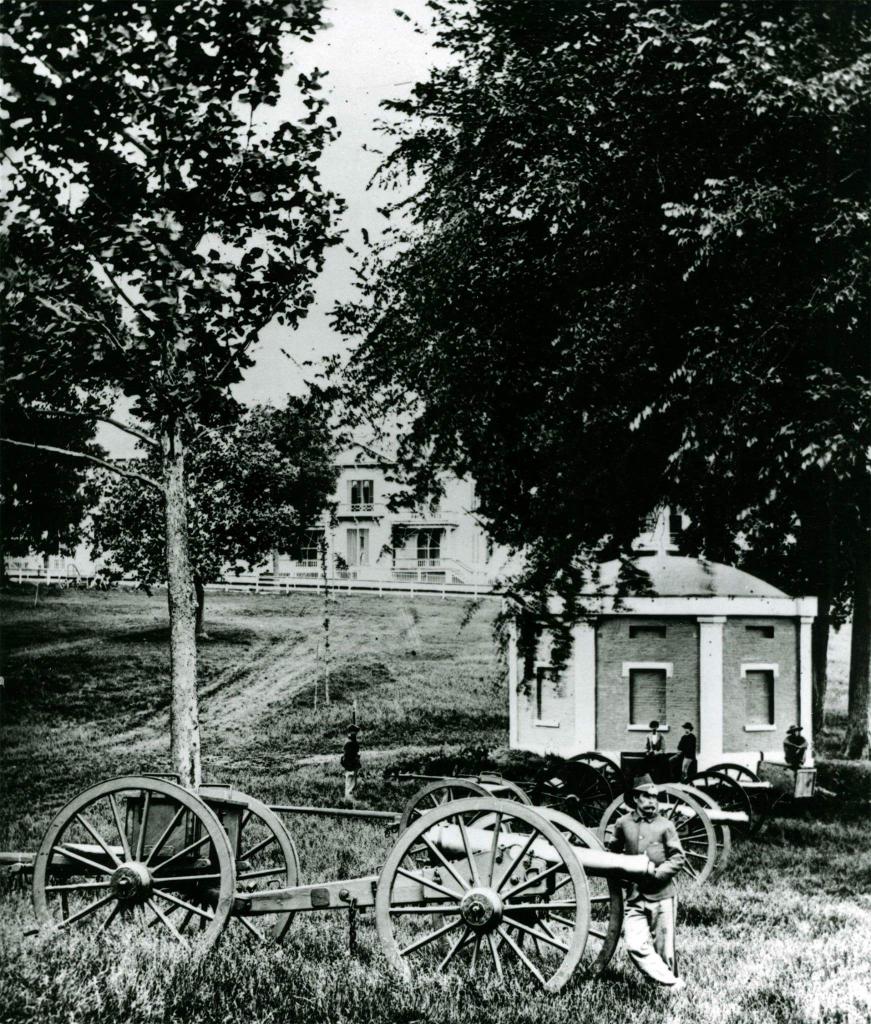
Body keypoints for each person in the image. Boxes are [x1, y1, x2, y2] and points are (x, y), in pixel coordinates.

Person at [608, 774, 686, 991]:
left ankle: (667, 989)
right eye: (647, 796)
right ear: (635, 798)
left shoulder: (665, 826)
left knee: (665, 949)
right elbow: (612, 854)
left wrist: (658, 874)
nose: (652, 801)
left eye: (655, 797)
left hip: (662, 896)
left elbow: (678, 857)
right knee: (634, 945)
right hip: (635, 896)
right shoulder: (623, 823)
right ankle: (671, 983)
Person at [341, 724, 362, 801]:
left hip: (353, 765)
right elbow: (347, 757)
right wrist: (350, 765)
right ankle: (349, 800)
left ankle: (350, 799)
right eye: (354, 732)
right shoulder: (350, 743)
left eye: (356, 732)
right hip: (351, 766)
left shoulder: (352, 742)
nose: (355, 734)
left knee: (352, 783)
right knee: (350, 783)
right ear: (350, 732)